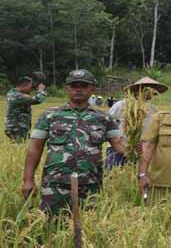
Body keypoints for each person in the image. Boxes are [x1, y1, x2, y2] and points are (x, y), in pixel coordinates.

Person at [21, 69, 126, 214]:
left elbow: (119, 145)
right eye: (74, 85)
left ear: (92, 89)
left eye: (83, 85)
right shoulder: (50, 115)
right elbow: (35, 149)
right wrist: (28, 180)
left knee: (90, 228)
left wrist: (137, 147)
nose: (78, 89)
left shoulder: (104, 118)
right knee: (51, 227)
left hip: (90, 185)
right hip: (55, 185)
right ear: (67, 89)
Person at [105, 76, 166, 169]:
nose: (149, 92)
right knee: (114, 178)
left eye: (152, 90)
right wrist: (122, 145)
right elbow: (108, 125)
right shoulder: (121, 105)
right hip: (117, 151)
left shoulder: (153, 110)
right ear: (137, 90)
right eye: (145, 89)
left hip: (141, 153)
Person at [5, 76, 47, 141]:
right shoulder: (17, 96)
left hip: (16, 126)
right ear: (24, 85)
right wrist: (41, 90)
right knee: (18, 146)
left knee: (19, 146)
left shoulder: (12, 93)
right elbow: (38, 99)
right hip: (17, 128)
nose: (31, 88)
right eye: (30, 86)